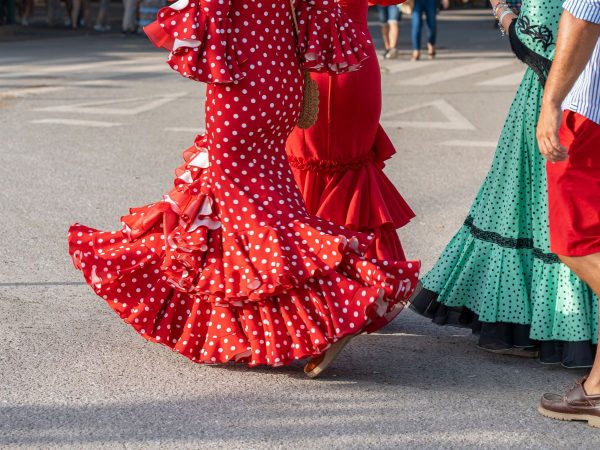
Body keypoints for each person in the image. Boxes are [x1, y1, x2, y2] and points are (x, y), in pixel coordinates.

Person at [67, 0, 420, 378]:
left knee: (244, 210)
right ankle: (316, 311)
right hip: (284, 85)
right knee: (256, 204)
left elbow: (201, 19)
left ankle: (344, 301)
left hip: (241, 86)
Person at [410, 0, 598, 369]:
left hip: (556, 100)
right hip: (574, 93)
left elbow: (537, 46)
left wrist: (500, 9)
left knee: (537, 216)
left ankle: (542, 328)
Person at [286, 0, 415, 262]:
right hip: (351, 61)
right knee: (347, 161)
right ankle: (363, 271)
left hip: (304, 63)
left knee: (305, 159)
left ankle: (305, 263)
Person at [535, 0, 600, 427]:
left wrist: (552, 100)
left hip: (593, 113)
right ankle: (596, 389)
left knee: (576, 243)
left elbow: (585, 12)